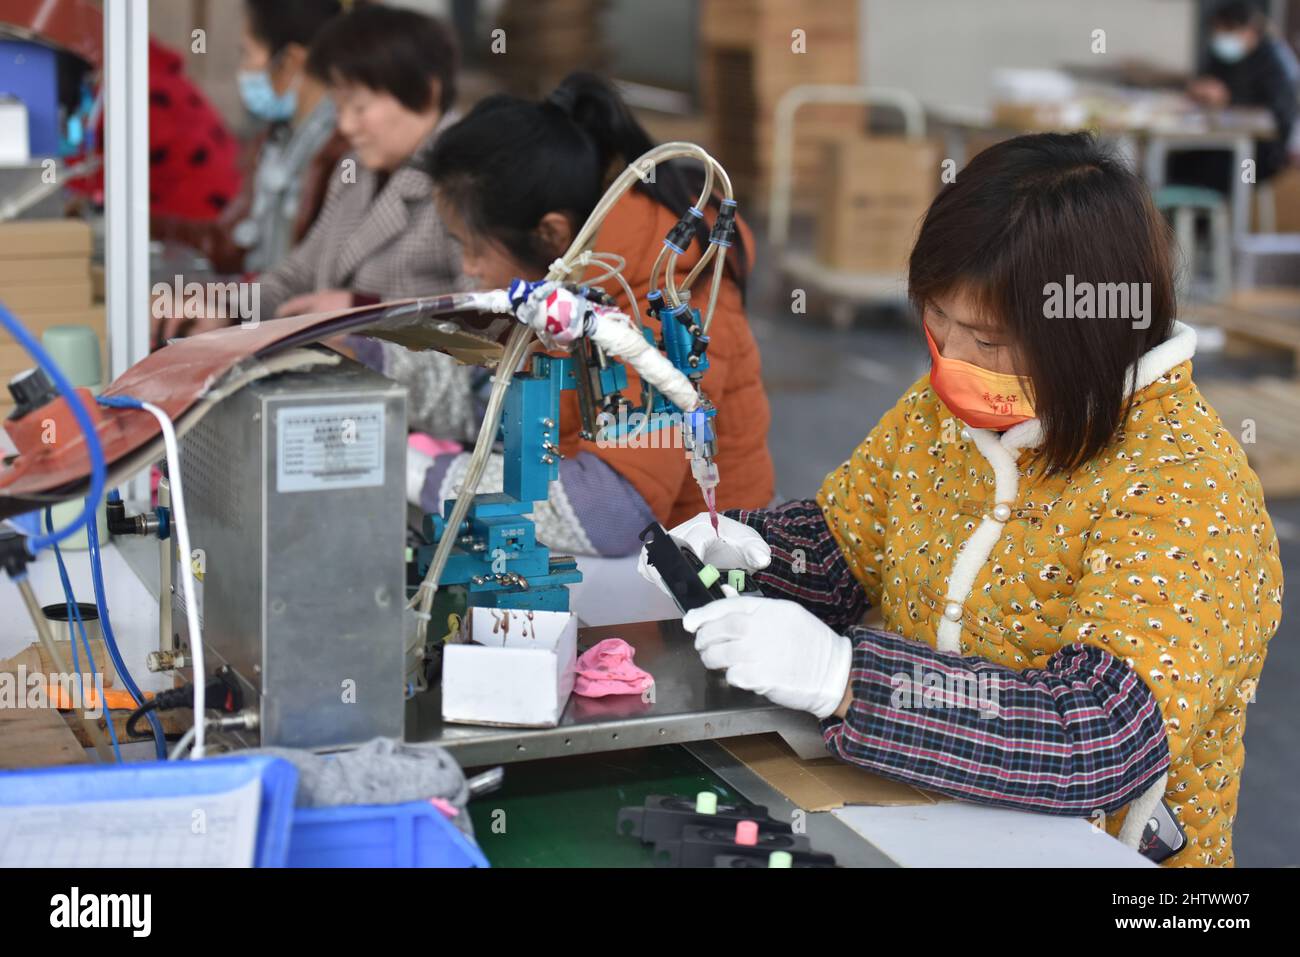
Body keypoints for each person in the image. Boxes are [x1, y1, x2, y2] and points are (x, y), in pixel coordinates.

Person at [644, 132, 1283, 867]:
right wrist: (751, 553)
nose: (952, 363)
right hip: (921, 829)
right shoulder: (943, 411)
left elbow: (1097, 736)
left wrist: (852, 681)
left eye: (987, 338)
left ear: (1090, 333)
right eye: (937, 322)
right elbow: (844, 544)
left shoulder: (1185, 484)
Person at [380, 72, 775, 558]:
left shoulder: (667, 298)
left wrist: (417, 472)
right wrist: (370, 362)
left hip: (699, 581)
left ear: (550, 233)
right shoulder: (569, 284)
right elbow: (493, 402)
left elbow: (607, 512)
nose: (468, 270)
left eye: (473, 248)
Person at [255, 3, 479, 442]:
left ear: (427, 92)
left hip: (423, 426)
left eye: (359, 106)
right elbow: (299, 273)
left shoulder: (469, 181)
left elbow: (486, 321)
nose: (345, 124)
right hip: (343, 404)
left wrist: (364, 307)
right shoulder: (355, 169)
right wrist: (227, 309)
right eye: (338, 106)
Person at [151, 0, 347, 277]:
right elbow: (231, 242)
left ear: (290, 61)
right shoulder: (276, 141)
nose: (242, 71)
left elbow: (315, 282)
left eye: (247, 54)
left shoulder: (344, 151)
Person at [1174, 0, 1299, 189]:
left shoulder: (1274, 61)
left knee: (1213, 174)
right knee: (1176, 163)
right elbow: (1203, 82)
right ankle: (1188, 214)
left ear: (1249, 30)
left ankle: (1211, 216)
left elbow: (1280, 112)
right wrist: (1198, 90)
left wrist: (1228, 99)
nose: (1221, 37)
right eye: (1217, 31)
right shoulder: (1220, 57)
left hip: (1260, 156)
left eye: (1228, 30)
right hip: (1218, 143)